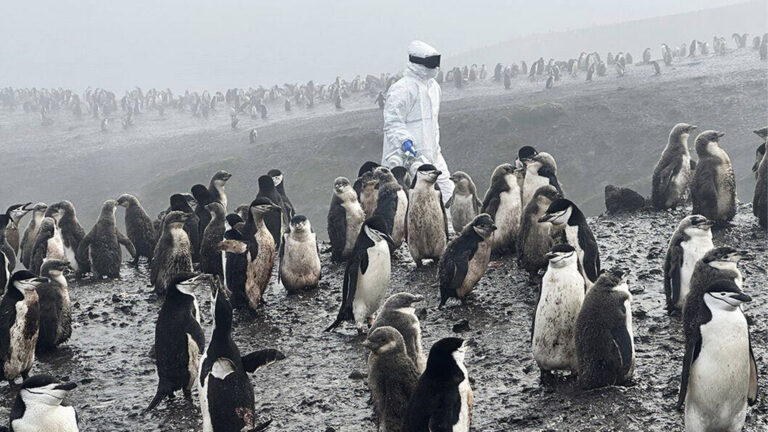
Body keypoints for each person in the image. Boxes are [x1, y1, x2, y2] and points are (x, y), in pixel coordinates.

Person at [382, 40, 454, 203]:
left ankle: (447, 228)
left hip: (433, 152)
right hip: (408, 156)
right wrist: (405, 141)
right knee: (413, 201)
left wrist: (435, 147)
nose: (435, 66)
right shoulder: (402, 88)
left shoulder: (434, 87)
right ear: (419, 62)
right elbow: (393, 121)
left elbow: (433, 123)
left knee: (447, 193)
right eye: (431, 62)